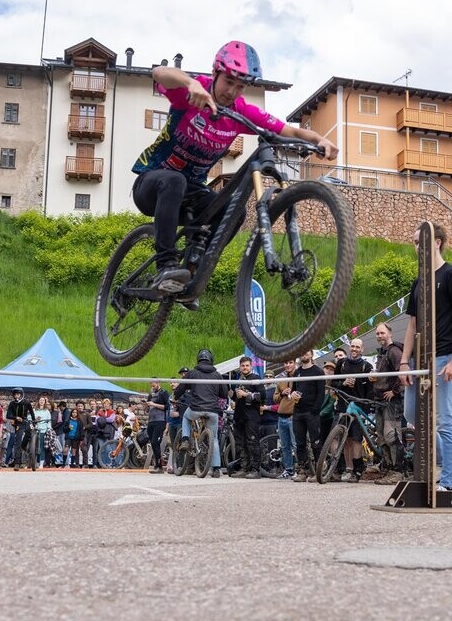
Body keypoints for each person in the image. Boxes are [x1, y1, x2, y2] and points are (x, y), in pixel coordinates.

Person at [131, 41, 338, 294]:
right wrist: (190, 83)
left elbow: (288, 130)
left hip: (192, 194)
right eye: (228, 81)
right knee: (175, 181)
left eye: (240, 86)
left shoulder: (240, 111)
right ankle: (166, 265)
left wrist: (319, 139)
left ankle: (193, 274)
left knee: (233, 212)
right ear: (215, 72)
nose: (232, 91)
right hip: (152, 184)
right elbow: (159, 74)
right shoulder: (194, 94)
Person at [399, 223, 452, 493]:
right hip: (419, 361)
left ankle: (450, 482)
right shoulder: (418, 281)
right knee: (411, 413)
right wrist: (404, 362)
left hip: (444, 357)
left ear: (438, 242)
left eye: (421, 241)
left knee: (443, 418)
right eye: (414, 242)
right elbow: (412, 325)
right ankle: (441, 460)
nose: (417, 247)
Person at [174, 349, 229, 478]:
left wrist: (176, 396)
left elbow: (180, 389)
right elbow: (224, 394)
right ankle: (216, 469)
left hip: (196, 408)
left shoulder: (192, 373)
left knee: (186, 418)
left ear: (198, 359)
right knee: (214, 438)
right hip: (213, 411)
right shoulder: (217, 375)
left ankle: (186, 439)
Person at [334, 339, 374, 483]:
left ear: (362, 349)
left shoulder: (367, 366)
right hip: (343, 406)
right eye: (352, 346)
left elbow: (370, 391)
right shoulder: (341, 363)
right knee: (346, 439)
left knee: (357, 439)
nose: (354, 349)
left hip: (358, 407)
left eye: (357, 347)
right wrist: (342, 383)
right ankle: (348, 468)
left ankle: (358, 469)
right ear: (349, 347)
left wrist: (366, 410)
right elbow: (333, 383)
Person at [372, 323, 405, 486]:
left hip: (392, 401)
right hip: (379, 399)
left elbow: (402, 372)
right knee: (382, 437)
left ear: (390, 333)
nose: (379, 336)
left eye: (382, 333)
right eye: (377, 334)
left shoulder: (394, 350)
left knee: (391, 435)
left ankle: (397, 471)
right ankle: (389, 468)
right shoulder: (381, 353)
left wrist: (395, 391)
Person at [291, 350, 325, 483]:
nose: (303, 354)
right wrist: (292, 395)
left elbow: (321, 393)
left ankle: (319, 469)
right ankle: (302, 470)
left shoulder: (318, 371)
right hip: (298, 411)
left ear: (311, 354)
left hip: (312, 412)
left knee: (315, 442)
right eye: (302, 352)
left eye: (306, 352)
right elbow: (293, 389)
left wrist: (315, 410)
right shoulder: (297, 372)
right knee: (300, 443)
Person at [229, 356, 265, 479]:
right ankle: (245, 468)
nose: (244, 368)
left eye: (247, 365)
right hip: (239, 416)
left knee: (252, 442)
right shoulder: (238, 380)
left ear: (251, 366)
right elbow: (235, 397)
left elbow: (262, 396)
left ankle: (255, 470)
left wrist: (246, 394)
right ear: (240, 367)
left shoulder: (256, 378)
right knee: (240, 444)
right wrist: (233, 397)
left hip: (251, 417)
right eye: (242, 365)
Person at [273, 359, 297, 480]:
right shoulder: (281, 379)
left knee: (296, 445)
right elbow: (275, 398)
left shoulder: (299, 377)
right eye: (286, 363)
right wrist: (282, 393)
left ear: (295, 363)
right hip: (281, 416)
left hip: (293, 416)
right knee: (285, 446)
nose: (288, 365)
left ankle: (300, 469)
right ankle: (288, 470)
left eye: (290, 363)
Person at [145, 379, 170, 473]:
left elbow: (167, 407)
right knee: (153, 443)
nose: (152, 387)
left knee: (156, 442)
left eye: (153, 385)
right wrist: (146, 405)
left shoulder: (164, 392)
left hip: (160, 420)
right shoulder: (150, 394)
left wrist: (154, 404)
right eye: (151, 385)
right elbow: (147, 409)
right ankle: (157, 464)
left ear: (158, 383)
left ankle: (159, 465)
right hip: (151, 420)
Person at [6, 389, 36, 470]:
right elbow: (8, 415)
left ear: (21, 395)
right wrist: (16, 417)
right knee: (18, 442)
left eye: (18, 394)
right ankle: (17, 463)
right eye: (15, 394)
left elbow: (32, 413)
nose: (16, 396)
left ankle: (24, 446)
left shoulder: (26, 402)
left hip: (25, 421)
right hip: (18, 424)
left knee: (29, 433)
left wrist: (34, 422)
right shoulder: (12, 403)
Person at [33, 396, 52, 468]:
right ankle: (35, 462)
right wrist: (35, 419)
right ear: (38, 401)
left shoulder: (46, 411)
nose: (41, 401)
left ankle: (41, 463)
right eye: (40, 400)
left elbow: (49, 421)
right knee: (34, 447)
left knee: (41, 447)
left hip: (43, 430)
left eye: (43, 400)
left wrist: (49, 429)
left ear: (44, 402)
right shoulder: (34, 410)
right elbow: (30, 418)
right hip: (35, 430)